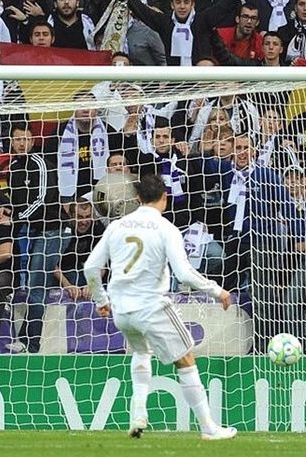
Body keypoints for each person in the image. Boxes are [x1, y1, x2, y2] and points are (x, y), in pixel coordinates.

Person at [83, 173, 237, 441]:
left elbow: (90, 268)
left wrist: (101, 300)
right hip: (151, 306)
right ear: (164, 197)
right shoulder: (166, 228)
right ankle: (210, 428)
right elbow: (185, 274)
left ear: (138, 198)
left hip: (121, 311)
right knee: (186, 359)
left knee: (142, 352)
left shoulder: (117, 226)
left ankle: (138, 413)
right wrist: (218, 291)